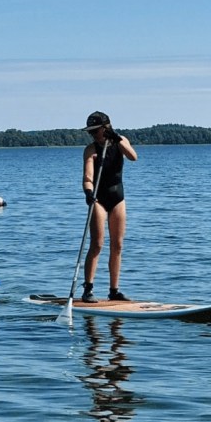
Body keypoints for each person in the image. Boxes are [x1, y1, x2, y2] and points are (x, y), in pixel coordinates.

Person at [81, 111, 137, 302]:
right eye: (90, 132)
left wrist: (117, 139)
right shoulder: (91, 150)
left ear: (106, 128)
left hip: (118, 198)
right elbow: (87, 177)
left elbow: (133, 157)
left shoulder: (121, 141)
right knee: (97, 244)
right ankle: (88, 289)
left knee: (117, 245)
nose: (93, 134)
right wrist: (88, 192)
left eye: (95, 131)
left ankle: (114, 291)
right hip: (98, 199)